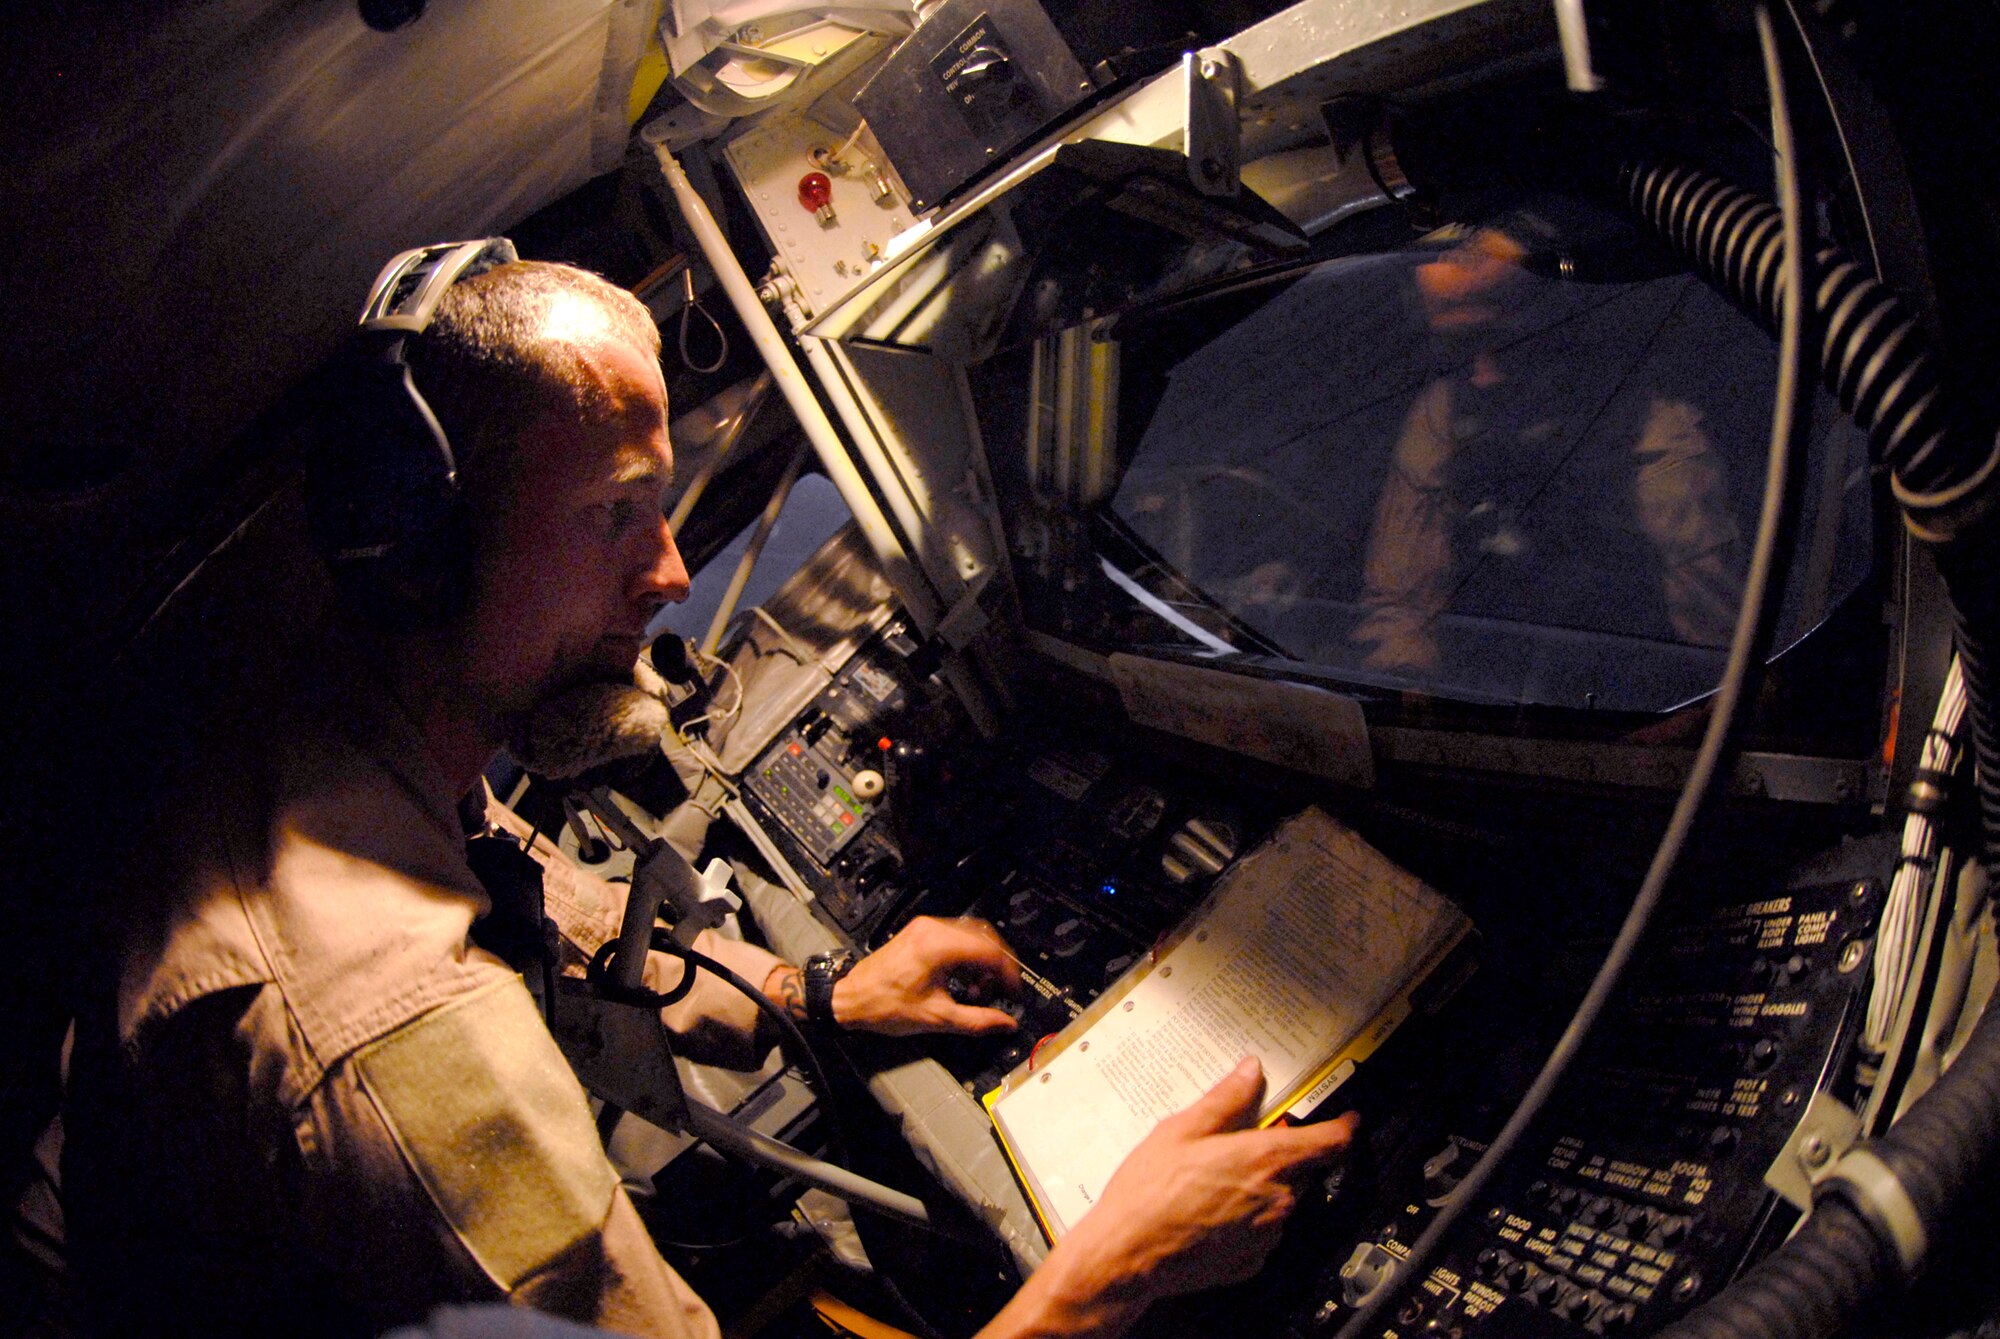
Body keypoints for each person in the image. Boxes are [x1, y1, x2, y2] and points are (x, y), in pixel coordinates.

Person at [32, 258, 1355, 1337]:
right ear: (432, 550)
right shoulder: (401, 1039)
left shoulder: (328, 729)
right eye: (618, 513)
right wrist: (1111, 1265)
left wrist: (813, 997)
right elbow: (419, 990)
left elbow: (521, 887)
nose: (671, 571)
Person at [1352, 220, 1747, 678]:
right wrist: (1409, 683)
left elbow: (1723, 657)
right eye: (1460, 347)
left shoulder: (1652, 437)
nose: (1481, 375)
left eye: (1501, 344)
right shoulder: (1447, 407)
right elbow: (1399, 597)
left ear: (1560, 335)